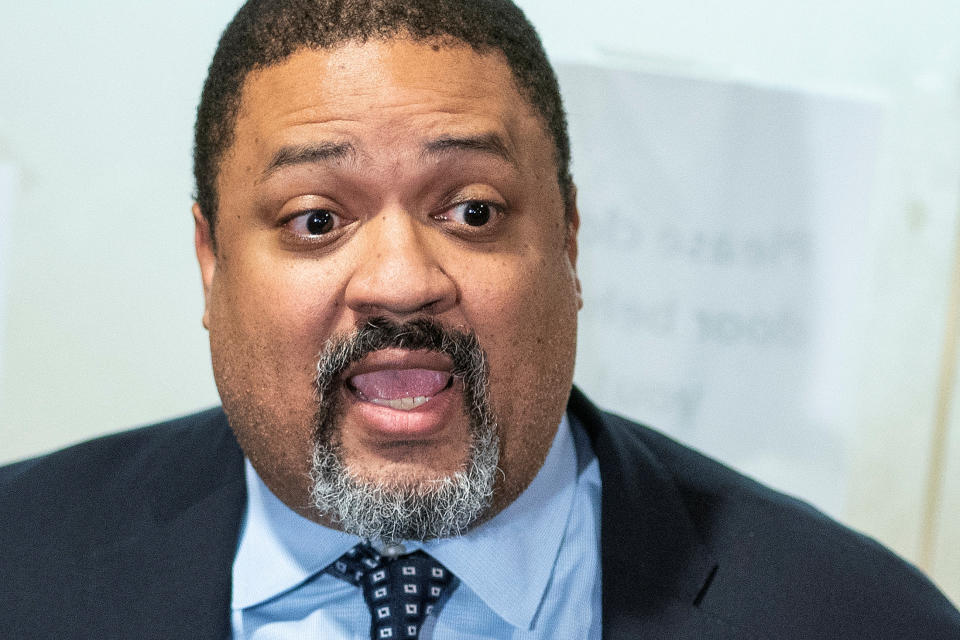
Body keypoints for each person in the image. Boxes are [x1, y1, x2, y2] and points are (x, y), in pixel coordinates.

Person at [1, 0, 958, 638]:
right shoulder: (20, 562)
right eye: (316, 219)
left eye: (472, 212)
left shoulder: (860, 617)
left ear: (571, 241)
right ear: (210, 262)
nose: (401, 281)